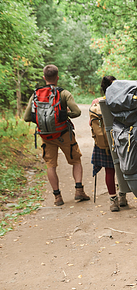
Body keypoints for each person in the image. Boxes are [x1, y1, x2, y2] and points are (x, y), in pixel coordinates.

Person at [24, 64, 90, 206]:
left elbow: (26, 117)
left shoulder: (35, 94)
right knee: (76, 160)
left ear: (44, 78)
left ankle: (57, 197)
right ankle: (79, 191)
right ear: (57, 77)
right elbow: (77, 112)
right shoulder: (64, 93)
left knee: (50, 165)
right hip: (63, 134)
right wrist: (63, 114)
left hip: (46, 137)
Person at [89, 76, 128, 212]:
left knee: (109, 171)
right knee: (123, 168)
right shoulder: (121, 101)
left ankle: (113, 201)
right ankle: (122, 195)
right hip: (121, 141)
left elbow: (91, 124)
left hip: (104, 144)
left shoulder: (96, 103)